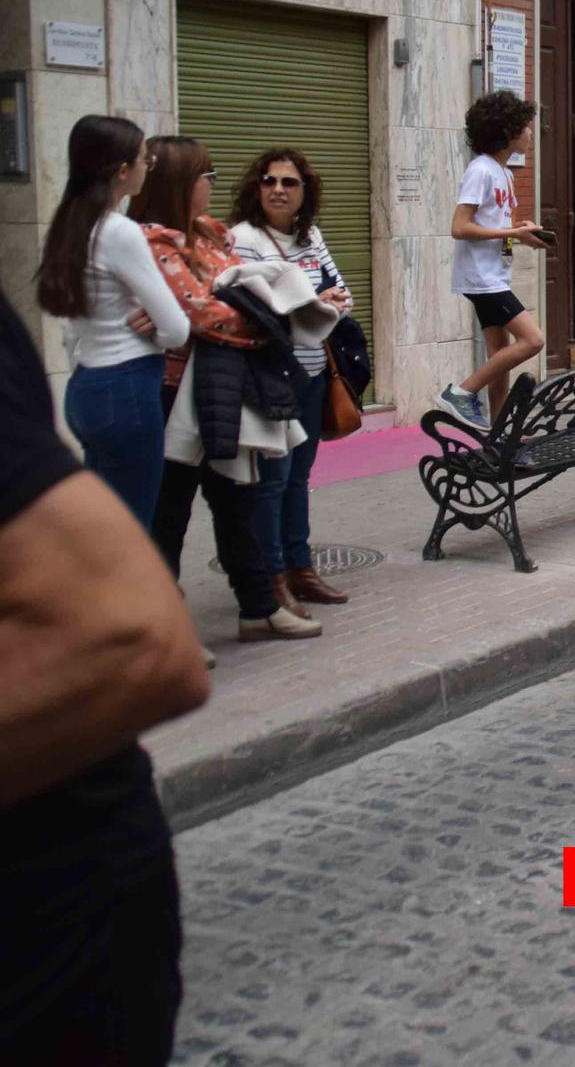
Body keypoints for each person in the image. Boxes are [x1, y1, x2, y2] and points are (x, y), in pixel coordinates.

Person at [0, 287, 211, 1065]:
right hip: (128, 383)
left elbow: (129, 635)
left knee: (144, 529)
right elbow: (187, 321)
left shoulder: (96, 234)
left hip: (47, 932)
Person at [132, 137, 319, 644]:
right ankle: (166, 629)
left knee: (237, 498)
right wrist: (270, 317)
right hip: (175, 392)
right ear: (180, 182)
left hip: (222, 383)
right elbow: (205, 313)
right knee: (170, 510)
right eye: (204, 175)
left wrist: (255, 310)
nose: (211, 184)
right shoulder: (155, 242)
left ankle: (258, 609)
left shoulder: (209, 238)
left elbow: (233, 301)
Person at [34, 116, 192, 524]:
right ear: (123, 170)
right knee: (132, 527)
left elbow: (72, 325)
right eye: (144, 159)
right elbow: (177, 327)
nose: (147, 166)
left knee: (101, 522)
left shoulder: (69, 223)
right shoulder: (119, 231)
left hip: (86, 385)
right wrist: (156, 332)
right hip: (127, 389)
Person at [229, 149, 353, 613]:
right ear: (255, 189)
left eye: (289, 182)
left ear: (305, 191)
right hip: (270, 378)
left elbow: (345, 295)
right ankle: (273, 578)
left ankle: (302, 570)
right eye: (268, 181)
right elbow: (243, 313)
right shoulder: (243, 240)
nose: (278, 190)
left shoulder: (310, 236)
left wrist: (321, 303)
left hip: (314, 373)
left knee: (299, 478)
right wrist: (314, 303)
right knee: (272, 481)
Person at [436, 91, 550, 430]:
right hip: (480, 278)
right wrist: (508, 233)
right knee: (533, 340)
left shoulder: (506, 174)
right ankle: (461, 393)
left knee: (499, 357)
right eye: (525, 128)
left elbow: (497, 226)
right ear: (507, 133)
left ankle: (499, 437)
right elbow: (460, 227)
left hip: (494, 274)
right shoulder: (481, 170)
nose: (531, 134)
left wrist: (522, 232)